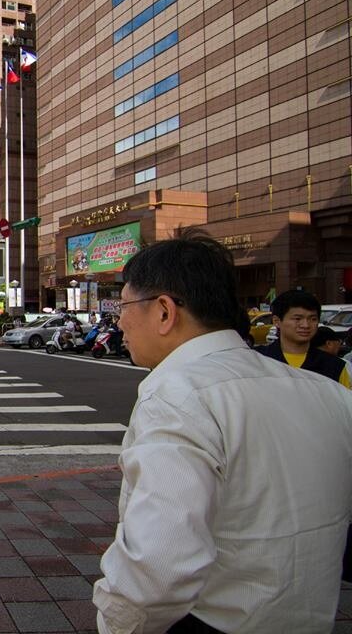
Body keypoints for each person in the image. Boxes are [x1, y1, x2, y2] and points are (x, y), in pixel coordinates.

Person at [92, 231, 352, 634]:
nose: (119, 320)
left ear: (164, 311)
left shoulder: (178, 395)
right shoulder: (329, 394)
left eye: (124, 304)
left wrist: (116, 624)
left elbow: (157, 568)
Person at [256, 289, 351, 388]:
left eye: (313, 319)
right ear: (277, 321)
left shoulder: (335, 367)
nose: (306, 325)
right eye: (297, 319)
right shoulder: (257, 359)